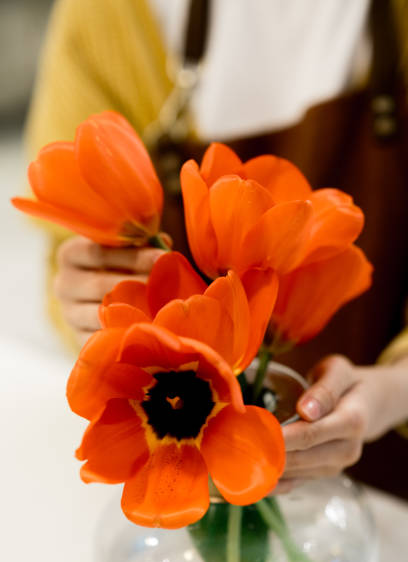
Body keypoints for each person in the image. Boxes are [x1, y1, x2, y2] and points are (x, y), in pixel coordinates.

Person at [23, 0, 408, 496]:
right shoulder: (109, 15)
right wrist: (86, 304)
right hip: (193, 472)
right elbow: (65, 253)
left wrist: (397, 388)